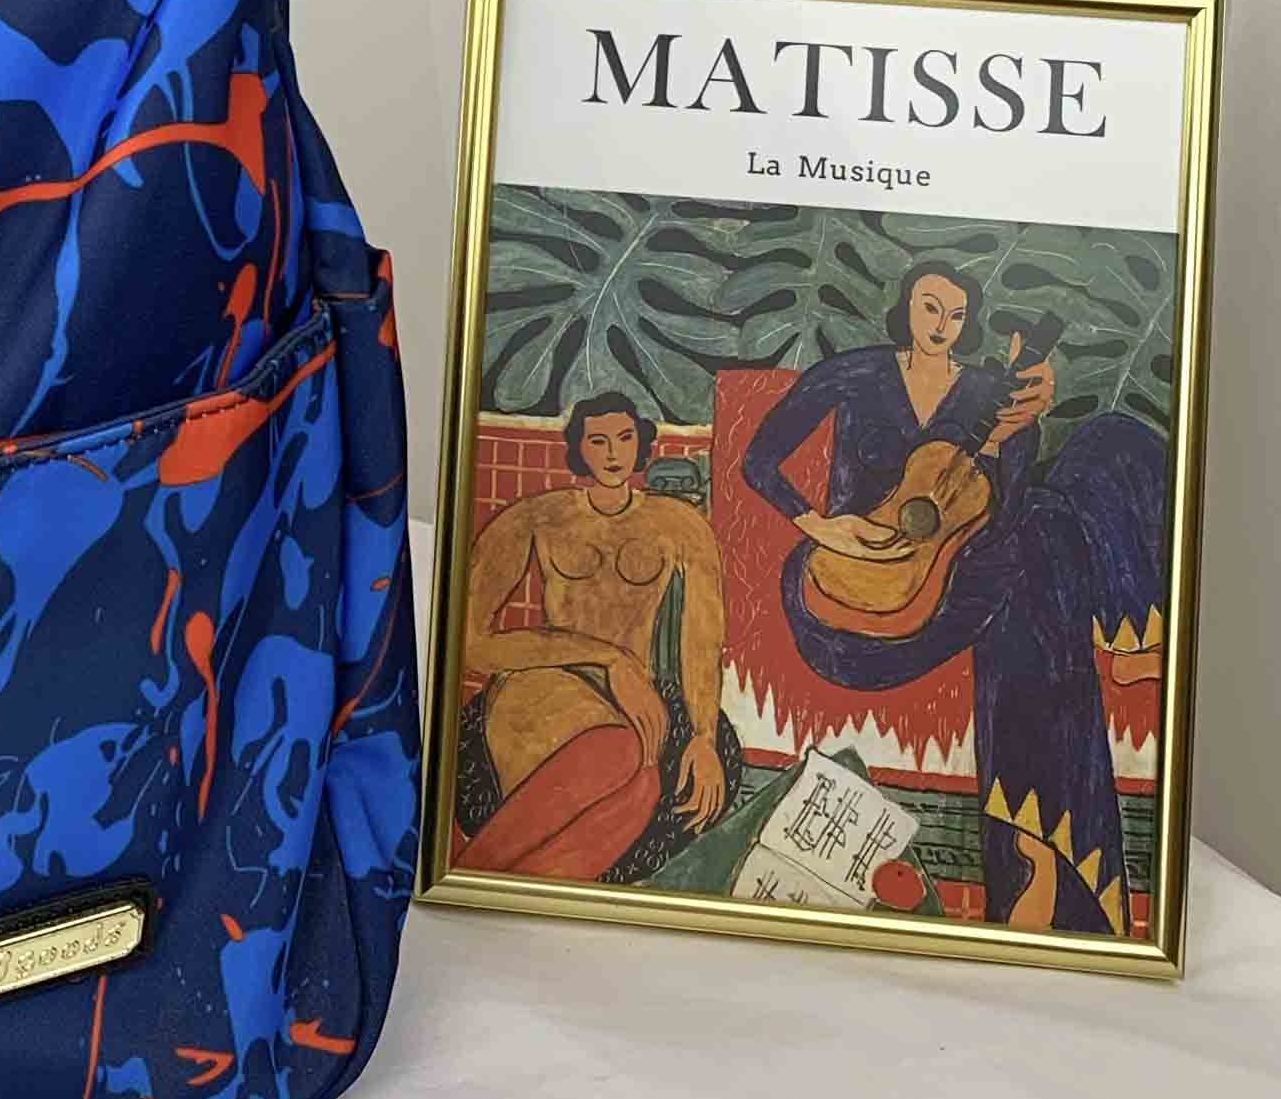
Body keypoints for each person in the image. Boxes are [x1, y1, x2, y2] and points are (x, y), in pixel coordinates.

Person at [740, 263, 1167, 932]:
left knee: (1110, 446)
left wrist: (1014, 432)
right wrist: (820, 523)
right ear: (904, 306)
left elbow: (1003, 508)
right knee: (1043, 550)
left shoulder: (982, 391)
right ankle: (1049, 860)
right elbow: (759, 459)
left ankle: (1034, 859)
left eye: (956, 314)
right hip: (852, 596)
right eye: (930, 307)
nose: (941, 325)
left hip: (961, 573)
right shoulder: (858, 372)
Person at [453, 395, 728, 880]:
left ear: (642, 444)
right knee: (620, 752)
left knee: (645, 788)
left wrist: (705, 737)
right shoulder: (537, 516)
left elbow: (702, 641)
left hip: (632, 695)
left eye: (624, 438)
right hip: (543, 684)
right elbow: (471, 643)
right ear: (578, 448)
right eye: (597, 441)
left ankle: (485, 877)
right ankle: (478, 875)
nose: (612, 453)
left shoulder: (682, 525)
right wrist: (608, 659)